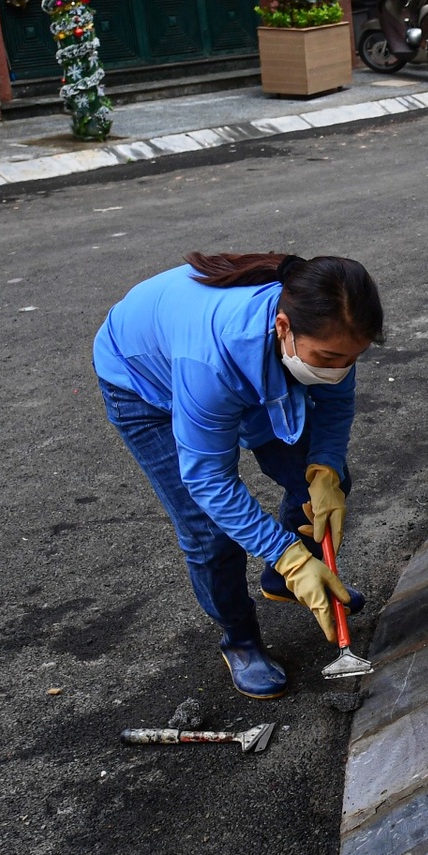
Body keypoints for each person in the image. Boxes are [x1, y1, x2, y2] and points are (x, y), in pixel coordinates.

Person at [93, 253, 385, 699]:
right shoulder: (213, 361)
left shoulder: (331, 333)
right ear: (283, 327)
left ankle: (283, 580)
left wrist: (325, 466)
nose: (338, 370)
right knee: (209, 531)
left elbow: (336, 402)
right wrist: (288, 552)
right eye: (328, 358)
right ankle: (241, 640)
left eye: (351, 358)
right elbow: (209, 480)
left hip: (246, 361)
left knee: (322, 483)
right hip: (143, 381)